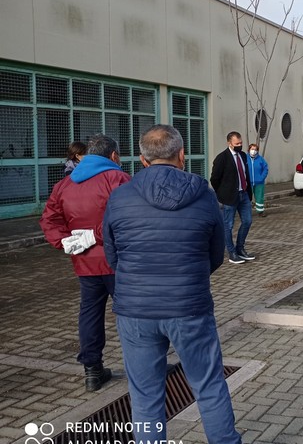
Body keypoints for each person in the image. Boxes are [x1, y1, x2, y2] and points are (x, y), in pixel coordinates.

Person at [103, 125, 240, 444]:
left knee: (145, 396)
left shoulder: (120, 196)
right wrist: (189, 276)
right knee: (208, 386)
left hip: (135, 311)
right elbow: (216, 254)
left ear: (142, 159)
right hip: (189, 307)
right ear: (181, 155)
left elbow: (112, 255)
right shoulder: (204, 194)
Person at [39, 134, 131, 391]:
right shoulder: (118, 179)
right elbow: (128, 219)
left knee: (90, 314)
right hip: (118, 261)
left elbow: (49, 219)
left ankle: (92, 370)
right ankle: (143, 365)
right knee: (132, 314)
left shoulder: (65, 185)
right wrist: (96, 235)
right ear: (113, 156)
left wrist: (66, 241)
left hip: (85, 263)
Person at [210, 131, 254, 264]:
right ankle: (232, 253)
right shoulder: (222, 158)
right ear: (229, 143)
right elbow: (214, 179)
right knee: (228, 226)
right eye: (237, 143)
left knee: (247, 221)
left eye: (241, 143)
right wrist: (222, 193)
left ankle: (240, 248)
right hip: (229, 197)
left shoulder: (243, 156)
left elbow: (245, 175)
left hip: (244, 194)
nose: (239, 145)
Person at [247, 142, 269, 217]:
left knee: (259, 197)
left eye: (255, 149)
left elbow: (265, 169)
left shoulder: (261, 159)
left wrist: (261, 177)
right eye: (252, 149)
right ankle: (246, 213)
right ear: (249, 150)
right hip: (248, 183)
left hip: (259, 182)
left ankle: (260, 211)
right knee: (247, 198)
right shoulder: (245, 159)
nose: (253, 151)